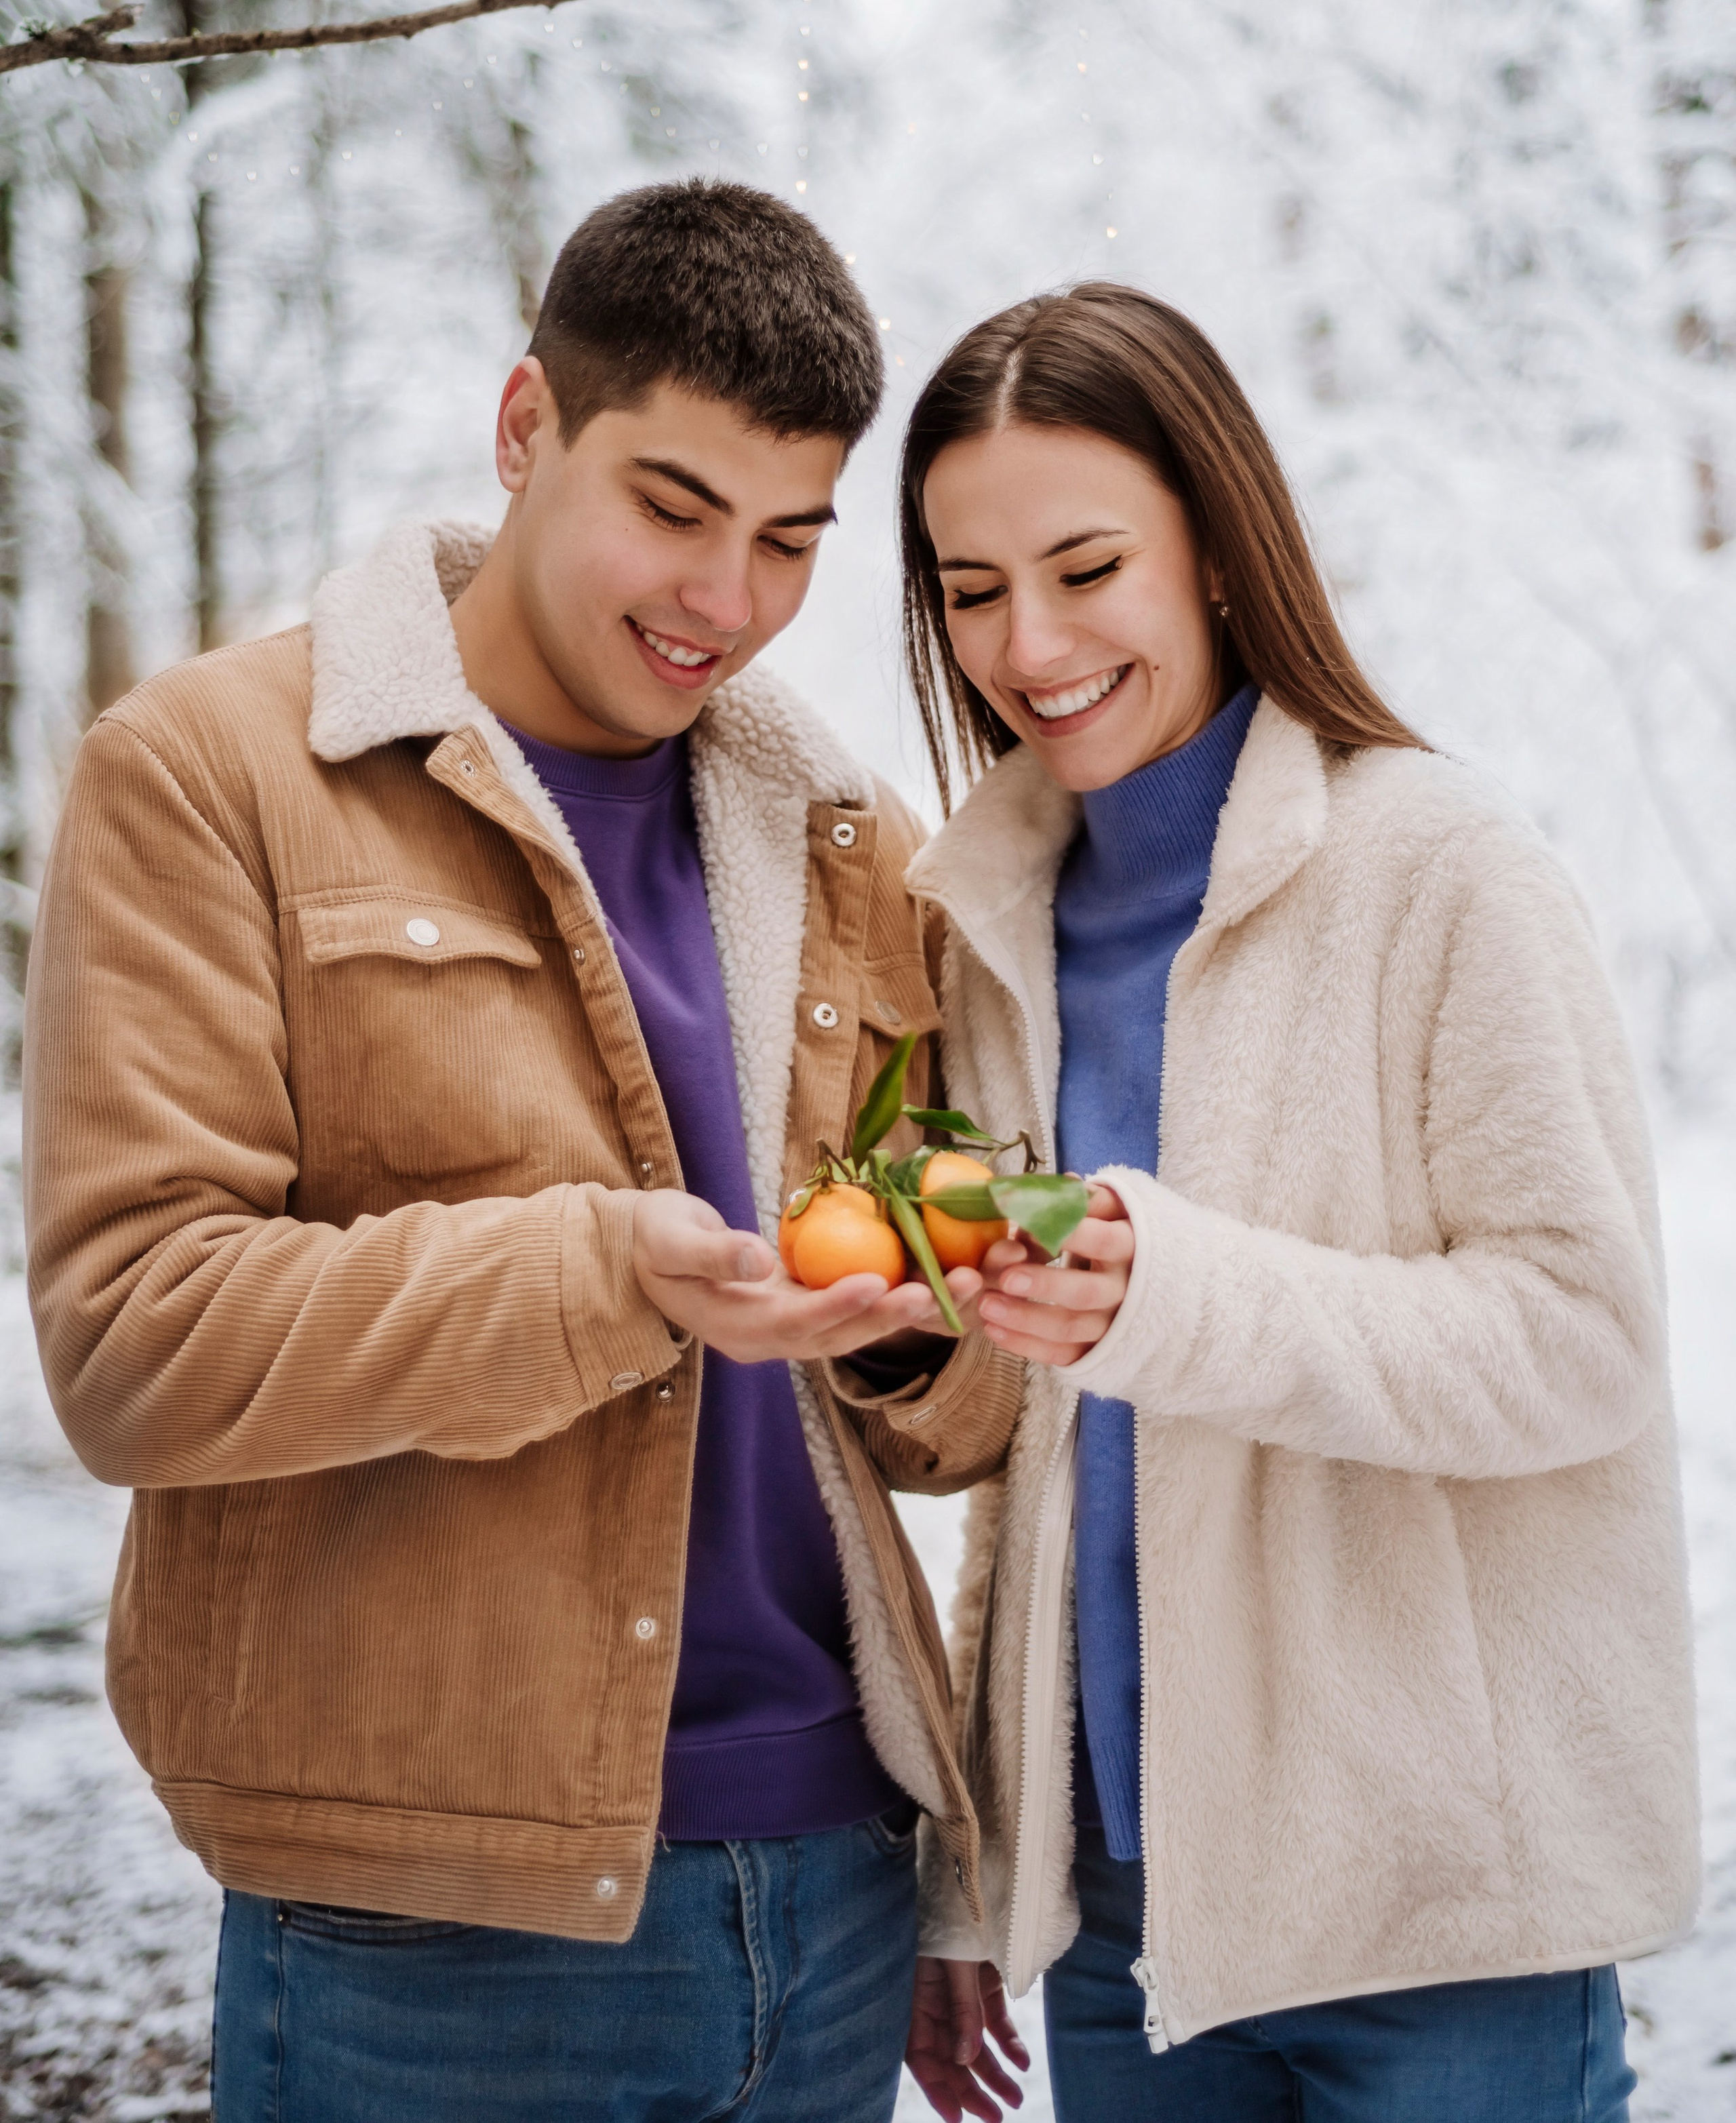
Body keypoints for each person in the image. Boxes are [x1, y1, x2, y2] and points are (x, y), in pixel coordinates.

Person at [24, 180, 1022, 2123]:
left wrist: (925, 1319)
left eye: (789, 539)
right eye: (672, 506)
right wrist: (602, 1275)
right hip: (432, 1928)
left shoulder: (851, 837)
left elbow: (948, 1410)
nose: (725, 599)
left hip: (834, 1883)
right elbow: (134, 1339)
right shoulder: (215, 773)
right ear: (524, 426)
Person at [894, 283, 1699, 2123]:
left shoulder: (1442, 868)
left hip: (1439, 1918)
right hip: (1129, 1925)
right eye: (972, 588)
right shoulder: (984, 932)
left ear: (1219, 544)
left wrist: (1173, 1300)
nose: (1029, 642)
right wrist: (976, 1871)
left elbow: (1582, 1342)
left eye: (1088, 567)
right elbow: (1041, 1463)